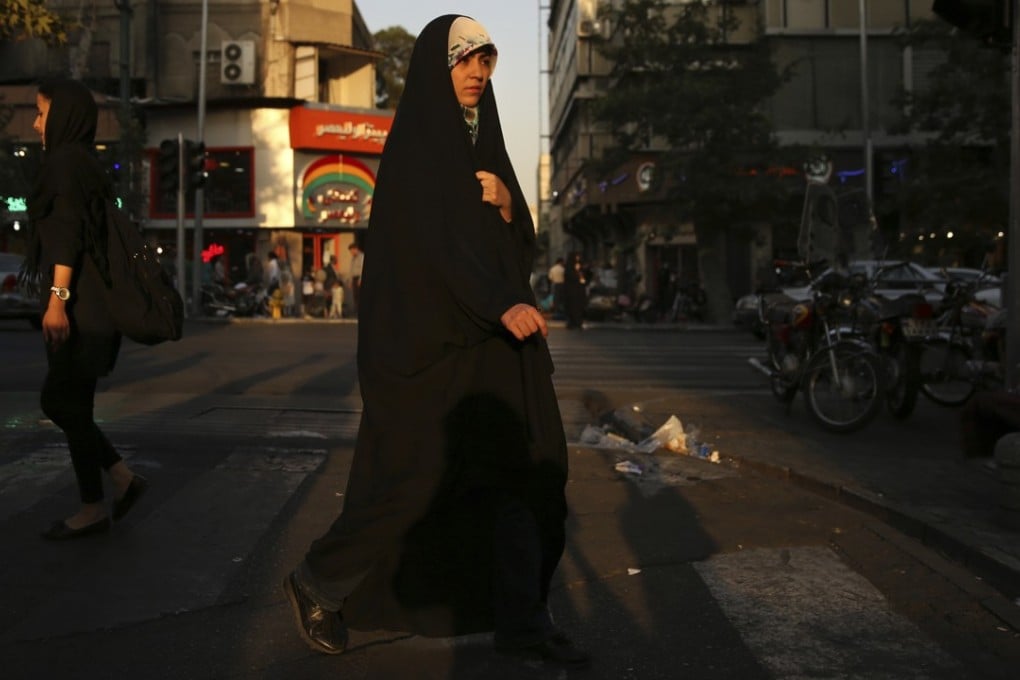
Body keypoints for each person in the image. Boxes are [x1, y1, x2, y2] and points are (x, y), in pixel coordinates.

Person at [282, 15, 588, 669]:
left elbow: (516, 243)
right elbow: (428, 254)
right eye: (464, 60)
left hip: (491, 348)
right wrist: (496, 302)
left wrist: (509, 204)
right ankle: (318, 581)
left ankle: (522, 621)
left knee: (518, 480)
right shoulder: (418, 148)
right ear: (435, 69)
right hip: (428, 350)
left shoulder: (487, 144)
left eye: (486, 60)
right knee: (415, 482)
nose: (478, 72)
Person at [22, 78, 148, 540]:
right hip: (95, 307)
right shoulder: (87, 165)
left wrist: (57, 304)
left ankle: (115, 485)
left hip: (79, 309)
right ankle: (104, 496)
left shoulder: (63, 164)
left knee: (58, 401)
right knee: (74, 404)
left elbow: (68, 237)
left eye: (41, 112)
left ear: (64, 115)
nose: (36, 123)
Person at [563, 251, 587, 329]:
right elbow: (569, 276)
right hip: (571, 291)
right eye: (576, 256)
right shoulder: (569, 266)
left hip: (579, 290)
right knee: (571, 307)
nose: (578, 258)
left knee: (579, 307)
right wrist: (576, 274)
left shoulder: (580, 266)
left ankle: (578, 322)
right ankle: (572, 322)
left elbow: (585, 276)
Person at [347, 241, 363, 316]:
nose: (351, 253)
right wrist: (350, 281)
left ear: (356, 249)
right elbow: (351, 270)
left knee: (360, 295)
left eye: (352, 251)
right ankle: (356, 311)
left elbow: (362, 268)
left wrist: (360, 279)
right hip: (354, 278)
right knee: (355, 295)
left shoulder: (361, 256)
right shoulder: (353, 258)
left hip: (359, 278)